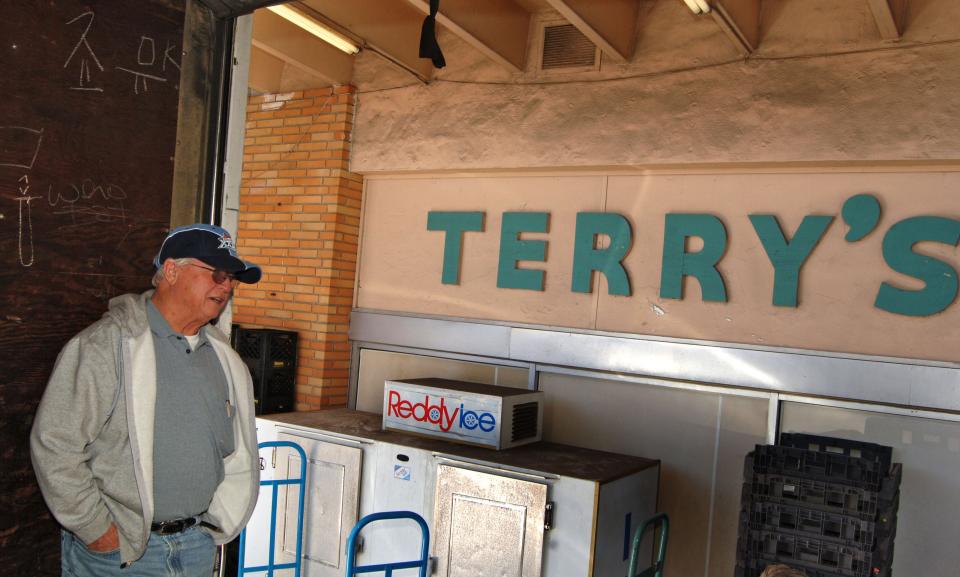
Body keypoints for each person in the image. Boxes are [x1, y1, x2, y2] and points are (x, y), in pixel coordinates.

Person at [31, 223, 263, 576]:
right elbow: (55, 445)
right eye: (216, 273)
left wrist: (211, 527)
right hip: (122, 556)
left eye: (232, 277)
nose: (226, 285)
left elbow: (232, 450)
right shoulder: (106, 346)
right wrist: (98, 531)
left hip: (197, 547)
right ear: (171, 270)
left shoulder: (223, 358)